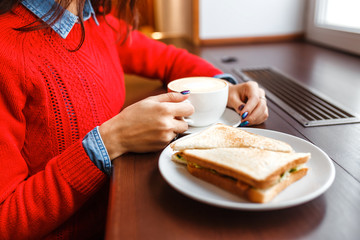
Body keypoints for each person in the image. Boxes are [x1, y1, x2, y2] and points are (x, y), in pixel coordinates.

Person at [0, 0, 268, 239]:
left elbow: (169, 59)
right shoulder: (6, 50)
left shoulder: (95, 21)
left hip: (124, 208)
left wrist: (225, 86)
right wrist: (108, 142)